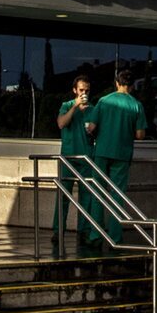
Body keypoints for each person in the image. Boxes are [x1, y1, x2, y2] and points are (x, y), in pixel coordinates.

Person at [83, 69, 147, 243]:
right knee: (117, 195)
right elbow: (140, 134)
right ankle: (115, 236)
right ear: (132, 86)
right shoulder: (136, 105)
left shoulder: (104, 101)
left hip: (102, 152)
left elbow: (92, 127)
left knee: (98, 192)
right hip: (122, 153)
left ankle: (96, 235)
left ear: (117, 83)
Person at [54, 75, 94, 241]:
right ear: (75, 91)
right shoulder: (67, 105)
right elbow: (61, 123)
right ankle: (58, 230)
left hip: (86, 157)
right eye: (81, 90)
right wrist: (75, 107)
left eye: (86, 91)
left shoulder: (93, 108)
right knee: (64, 195)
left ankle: (83, 231)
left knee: (87, 197)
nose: (84, 93)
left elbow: (96, 129)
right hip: (69, 157)